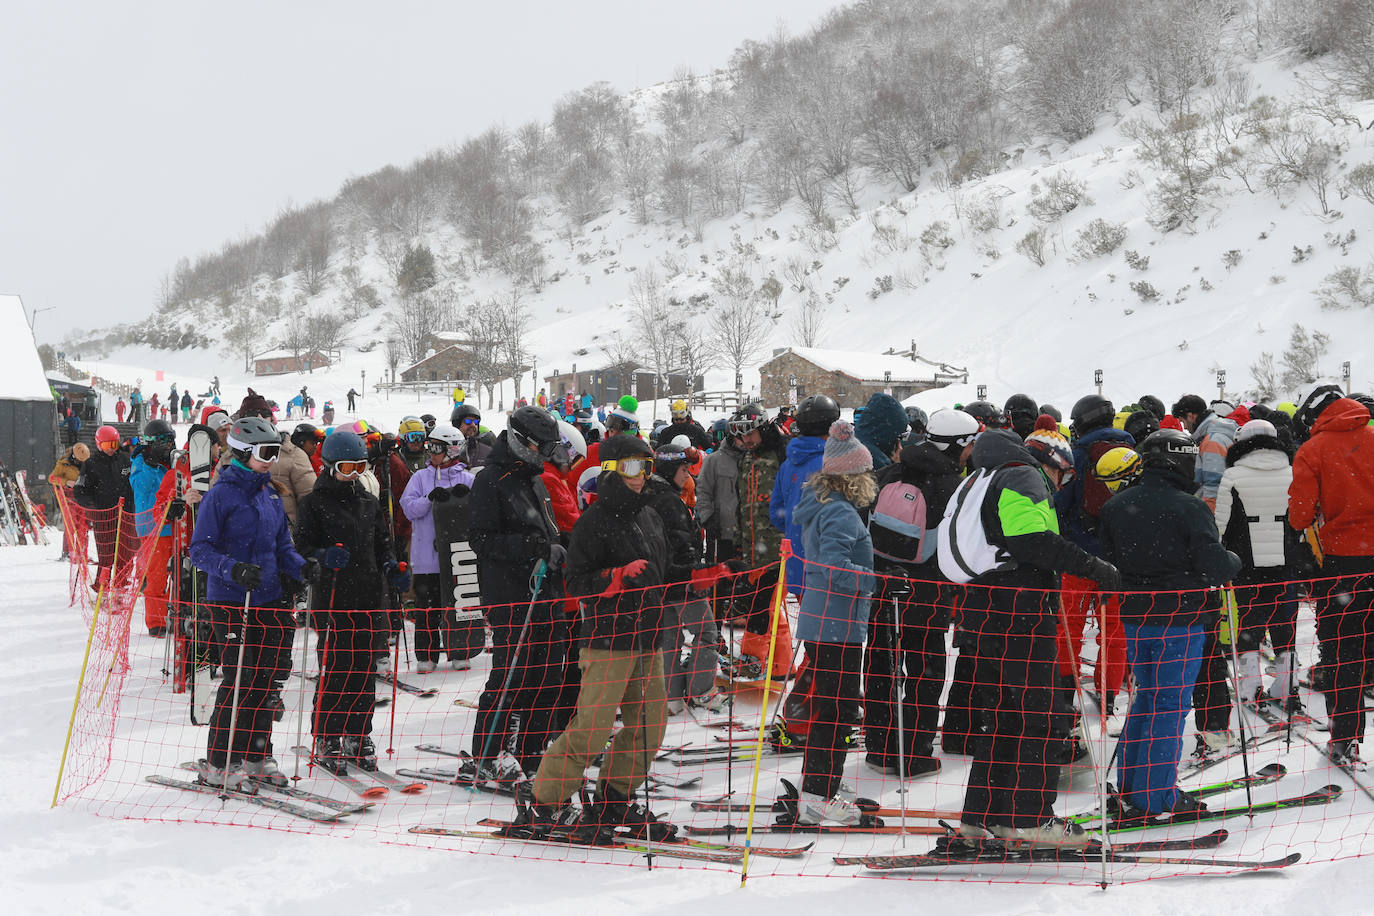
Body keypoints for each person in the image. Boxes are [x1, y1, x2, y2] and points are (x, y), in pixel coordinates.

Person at [947, 427, 1119, 847]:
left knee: (1002, 719)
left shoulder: (980, 476)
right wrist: (1095, 567)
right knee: (1040, 717)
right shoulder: (1023, 475)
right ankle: (1028, 818)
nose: (1060, 486)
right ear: (1054, 465)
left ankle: (982, 817)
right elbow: (1032, 540)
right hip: (1018, 611)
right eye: (1064, 477)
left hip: (982, 608)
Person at [511, 433, 677, 842]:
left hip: (648, 636)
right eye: (634, 467)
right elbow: (578, 582)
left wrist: (710, 575)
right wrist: (616, 578)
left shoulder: (650, 516)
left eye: (647, 467)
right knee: (592, 728)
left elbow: (665, 573)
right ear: (614, 469)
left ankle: (612, 799)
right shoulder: (594, 521)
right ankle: (542, 804)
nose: (641, 477)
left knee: (649, 726)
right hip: (608, 640)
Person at [1098, 429, 1240, 823]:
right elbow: (1213, 565)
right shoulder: (1188, 507)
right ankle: (1156, 796)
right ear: (1181, 460)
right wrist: (1232, 561)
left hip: (1135, 618)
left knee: (1147, 697)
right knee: (1169, 704)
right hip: (1179, 619)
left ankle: (1134, 785)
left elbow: (1108, 563)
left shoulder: (1117, 505)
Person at [188, 416, 311, 791]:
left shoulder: (270, 492)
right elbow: (199, 550)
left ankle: (257, 754)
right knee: (239, 681)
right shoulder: (221, 495)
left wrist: (306, 569)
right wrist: (232, 569)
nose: (272, 460)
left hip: (269, 598)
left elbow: (282, 547)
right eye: (265, 453)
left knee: (265, 681)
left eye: (275, 452)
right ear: (243, 453)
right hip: (231, 600)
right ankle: (221, 761)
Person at [862, 408, 978, 778]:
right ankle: (914, 751)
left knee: (881, 660)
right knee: (925, 668)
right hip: (928, 590)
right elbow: (959, 542)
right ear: (958, 444)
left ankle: (879, 745)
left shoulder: (890, 471)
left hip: (882, 583)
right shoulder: (954, 485)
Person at [465, 407, 571, 782]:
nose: (544, 454)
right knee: (513, 675)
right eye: (540, 446)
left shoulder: (536, 479)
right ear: (519, 440)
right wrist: (531, 546)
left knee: (548, 675)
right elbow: (480, 540)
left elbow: (551, 531)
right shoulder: (491, 480)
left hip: (547, 593)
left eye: (550, 446)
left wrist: (563, 548)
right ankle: (487, 753)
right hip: (510, 594)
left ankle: (532, 750)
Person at [784, 420, 878, 825]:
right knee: (836, 708)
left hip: (828, 618)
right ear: (852, 477)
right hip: (835, 620)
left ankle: (823, 782)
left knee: (833, 704)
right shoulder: (839, 512)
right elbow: (834, 565)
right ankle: (818, 793)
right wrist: (876, 581)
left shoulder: (823, 504)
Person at [294, 430, 405, 771]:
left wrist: (391, 565)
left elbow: (382, 542)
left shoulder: (369, 502)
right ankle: (328, 735)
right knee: (337, 668)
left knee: (363, 669)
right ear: (329, 466)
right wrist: (321, 557)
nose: (354, 474)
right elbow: (301, 549)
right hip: (332, 598)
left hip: (368, 595)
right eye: (347, 467)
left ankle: (358, 732)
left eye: (360, 466)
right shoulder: (313, 504)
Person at [1288, 393, 1374, 767]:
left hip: (1344, 565)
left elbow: (1298, 515)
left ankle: (1346, 736)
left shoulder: (1313, 449)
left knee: (1344, 651)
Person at [1214, 419, 1308, 722]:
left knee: (1251, 622)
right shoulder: (1293, 472)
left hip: (1246, 563)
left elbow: (1221, 524)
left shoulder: (1233, 475)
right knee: (1285, 622)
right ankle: (1287, 686)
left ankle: (1250, 687)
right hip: (1285, 561)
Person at [1054, 395, 1133, 722]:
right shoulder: (1131, 453)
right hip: (1118, 559)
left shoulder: (1078, 454)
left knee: (1068, 627)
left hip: (1078, 555)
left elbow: (1062, 502)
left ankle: (1064, 692)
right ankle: (1109, 693)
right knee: (1114, 631)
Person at [646, 442, 730, 714]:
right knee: (707, 633)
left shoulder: (651, 493)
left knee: (669, 638)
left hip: (661, 582)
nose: (688, 476)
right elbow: (680, 545)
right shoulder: (669, 500)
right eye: (683, 469)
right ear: (670, 469)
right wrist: (697, 574)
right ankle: (701, 691)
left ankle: (671, 695)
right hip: (681, 581)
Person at [400, 425, 477, 673]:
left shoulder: (468, 478)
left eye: (435, 448)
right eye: (429, 447)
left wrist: (467, 500)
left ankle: (460, 649)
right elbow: (408, 508)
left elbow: (481, 513)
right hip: (427, 558)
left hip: (457, 554)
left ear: (452, 450)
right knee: (427, 608)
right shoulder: (420, 478)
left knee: (459, 605)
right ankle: (426, 654)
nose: (430, 452)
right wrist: (429, 498)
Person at [771, 394, 839, 596]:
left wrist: (797, 528)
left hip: (797, 562)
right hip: (830, 564)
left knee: (809, 623)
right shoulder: (834, 464)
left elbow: (777, 513)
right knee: (829, 624)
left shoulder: (788, 464)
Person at [129, 419, 181, 636]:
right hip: (153, 529)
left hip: (175, 525)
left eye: (170, 439)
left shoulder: (173, 461)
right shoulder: (140, 463)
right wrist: (151, 464)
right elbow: (141, 486)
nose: (168, 445)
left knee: (179, 576)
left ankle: (177, 617)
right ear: (151, 442)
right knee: (157, 576)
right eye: (163, 440)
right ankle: (156, 622)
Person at [73, 425, 136, 592]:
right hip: (104, 516)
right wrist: (92, 506)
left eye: (114, 445)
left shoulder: (126, 459)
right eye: (107, 446)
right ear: (99, 444)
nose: (111, 450)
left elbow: (134, 483)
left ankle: (120, 584)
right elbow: (80, 490)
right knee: (107, 553)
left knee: (125, 553)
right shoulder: (91, 464)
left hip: (125, 513)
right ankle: (103, 585)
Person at [1171, 394, 1237, 510]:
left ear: (1190, 416)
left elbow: (1214, 487)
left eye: (1183, 421)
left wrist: (1207, 519)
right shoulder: (1219, 432)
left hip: (1217, 512)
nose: (1185, 428)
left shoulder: (1212, 441)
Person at [853, 393, 909, 471]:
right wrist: (896, 467)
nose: (900, 447)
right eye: (899, 436)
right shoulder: (879, 463)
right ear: (888, 433)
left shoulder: (850, 441)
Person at [451, 403, 492, 468]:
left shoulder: (487, 450)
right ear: (457, 424)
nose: (473, 425)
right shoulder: (448, 450)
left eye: (476, 422)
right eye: (468, 421)